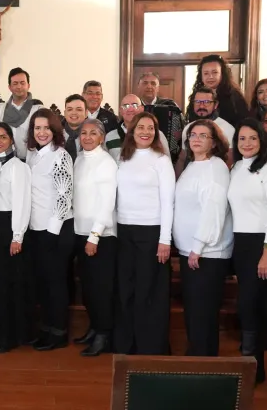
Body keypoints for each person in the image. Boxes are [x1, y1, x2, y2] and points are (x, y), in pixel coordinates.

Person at [227, 118, 267, 383]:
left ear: (261, 140)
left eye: (252, 138)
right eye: (242, 138)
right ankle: (252, 356)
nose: (247, 143)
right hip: (241, 243)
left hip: (262, 243)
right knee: (250, 303)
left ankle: (255, 364)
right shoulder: (237, 166)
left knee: (252, 304)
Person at [114, 112, 175, 356]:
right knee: (126, 289)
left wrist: (164, 240)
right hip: (124, 230)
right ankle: (126, 344)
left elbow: (168, 202)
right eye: (141, 127)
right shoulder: (123, 157)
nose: (146, 132)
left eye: (151, 128)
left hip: (151, 232)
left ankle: (149, 346)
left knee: (148, 292)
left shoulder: (160, 159)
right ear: (132, 129)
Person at [173, 119, 233, 357]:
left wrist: (198, 246)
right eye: (193, 135)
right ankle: (197, 358)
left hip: (207, 252)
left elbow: (214, 209)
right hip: (191, 250)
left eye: (203, 135)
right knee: (195, 312)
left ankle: (204, 363)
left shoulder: (215, 166)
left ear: (214, 142)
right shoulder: (193, 164)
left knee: (203, 312)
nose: (196, 139)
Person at [0, 123, 32, 353]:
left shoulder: (17, 167)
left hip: (10, 227)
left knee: (9, 284)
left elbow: (22, 203)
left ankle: (9, 336)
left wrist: (17, 236)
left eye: (3, 137)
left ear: (11, 139)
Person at [25, 109, 75, 351]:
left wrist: (51, 232)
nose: (42, 132)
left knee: (55, 283)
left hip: (56, 229)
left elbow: (64, 196)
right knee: (42, 283)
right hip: (36, 228)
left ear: (55, 130)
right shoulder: (33, 155)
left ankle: (58, 332)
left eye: (46, 128)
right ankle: (45, 328)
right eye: (37, 128)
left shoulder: (60, 155)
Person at [72, 118, 117, 357]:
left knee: (101, 289)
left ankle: (104, 334)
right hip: (81, 232)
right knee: (88, 288)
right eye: (84, 133)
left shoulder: (106, 162)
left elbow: (107, 202)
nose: (87, 137)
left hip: (100, 236)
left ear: (101, 137)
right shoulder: (80, 159)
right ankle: (94, 327)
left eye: (93, 133)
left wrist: (95, 235)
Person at [186, 54, 248, 128]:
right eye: (206, 73)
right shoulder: (196, 96)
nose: (210, 77)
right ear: (201, 76)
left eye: (215, 72)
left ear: (222, 74)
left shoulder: (234, 97)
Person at [0, 68, 42, 160]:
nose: (19, 86)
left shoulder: (37, 109)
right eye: (15, 83)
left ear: (28, 85)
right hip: (6, 159)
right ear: (9, 87)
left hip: (31, 160)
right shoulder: (1, 109)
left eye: (22, 83)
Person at [136, 72, 185, 160]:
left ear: (158, 88)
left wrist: (176, 136)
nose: (149, 86)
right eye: (145, 83)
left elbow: (181, 129)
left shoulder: (170, 105)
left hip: (165, 154)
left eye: (153, 83)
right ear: (138, 86)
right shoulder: (133, 107)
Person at [117, 94, 169, 158]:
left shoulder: (156, 134)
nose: (130, 109)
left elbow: (166, 159)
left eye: (135, 105)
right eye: (126, 106)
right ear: (120, 110)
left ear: (142, 109)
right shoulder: (109, 137)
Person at [82, 80, 122, 155]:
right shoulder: (77, 116)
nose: (94, 97)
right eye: (90, 93)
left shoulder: (111, 118)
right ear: (83, 95)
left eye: (98, 93)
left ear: (102, 96)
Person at [62, 94, 88, 162]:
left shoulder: (94, 137)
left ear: (86, 113)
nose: (74, 113)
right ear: (65, 113)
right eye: (70, 109)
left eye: (79, 110)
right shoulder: (56, 135)